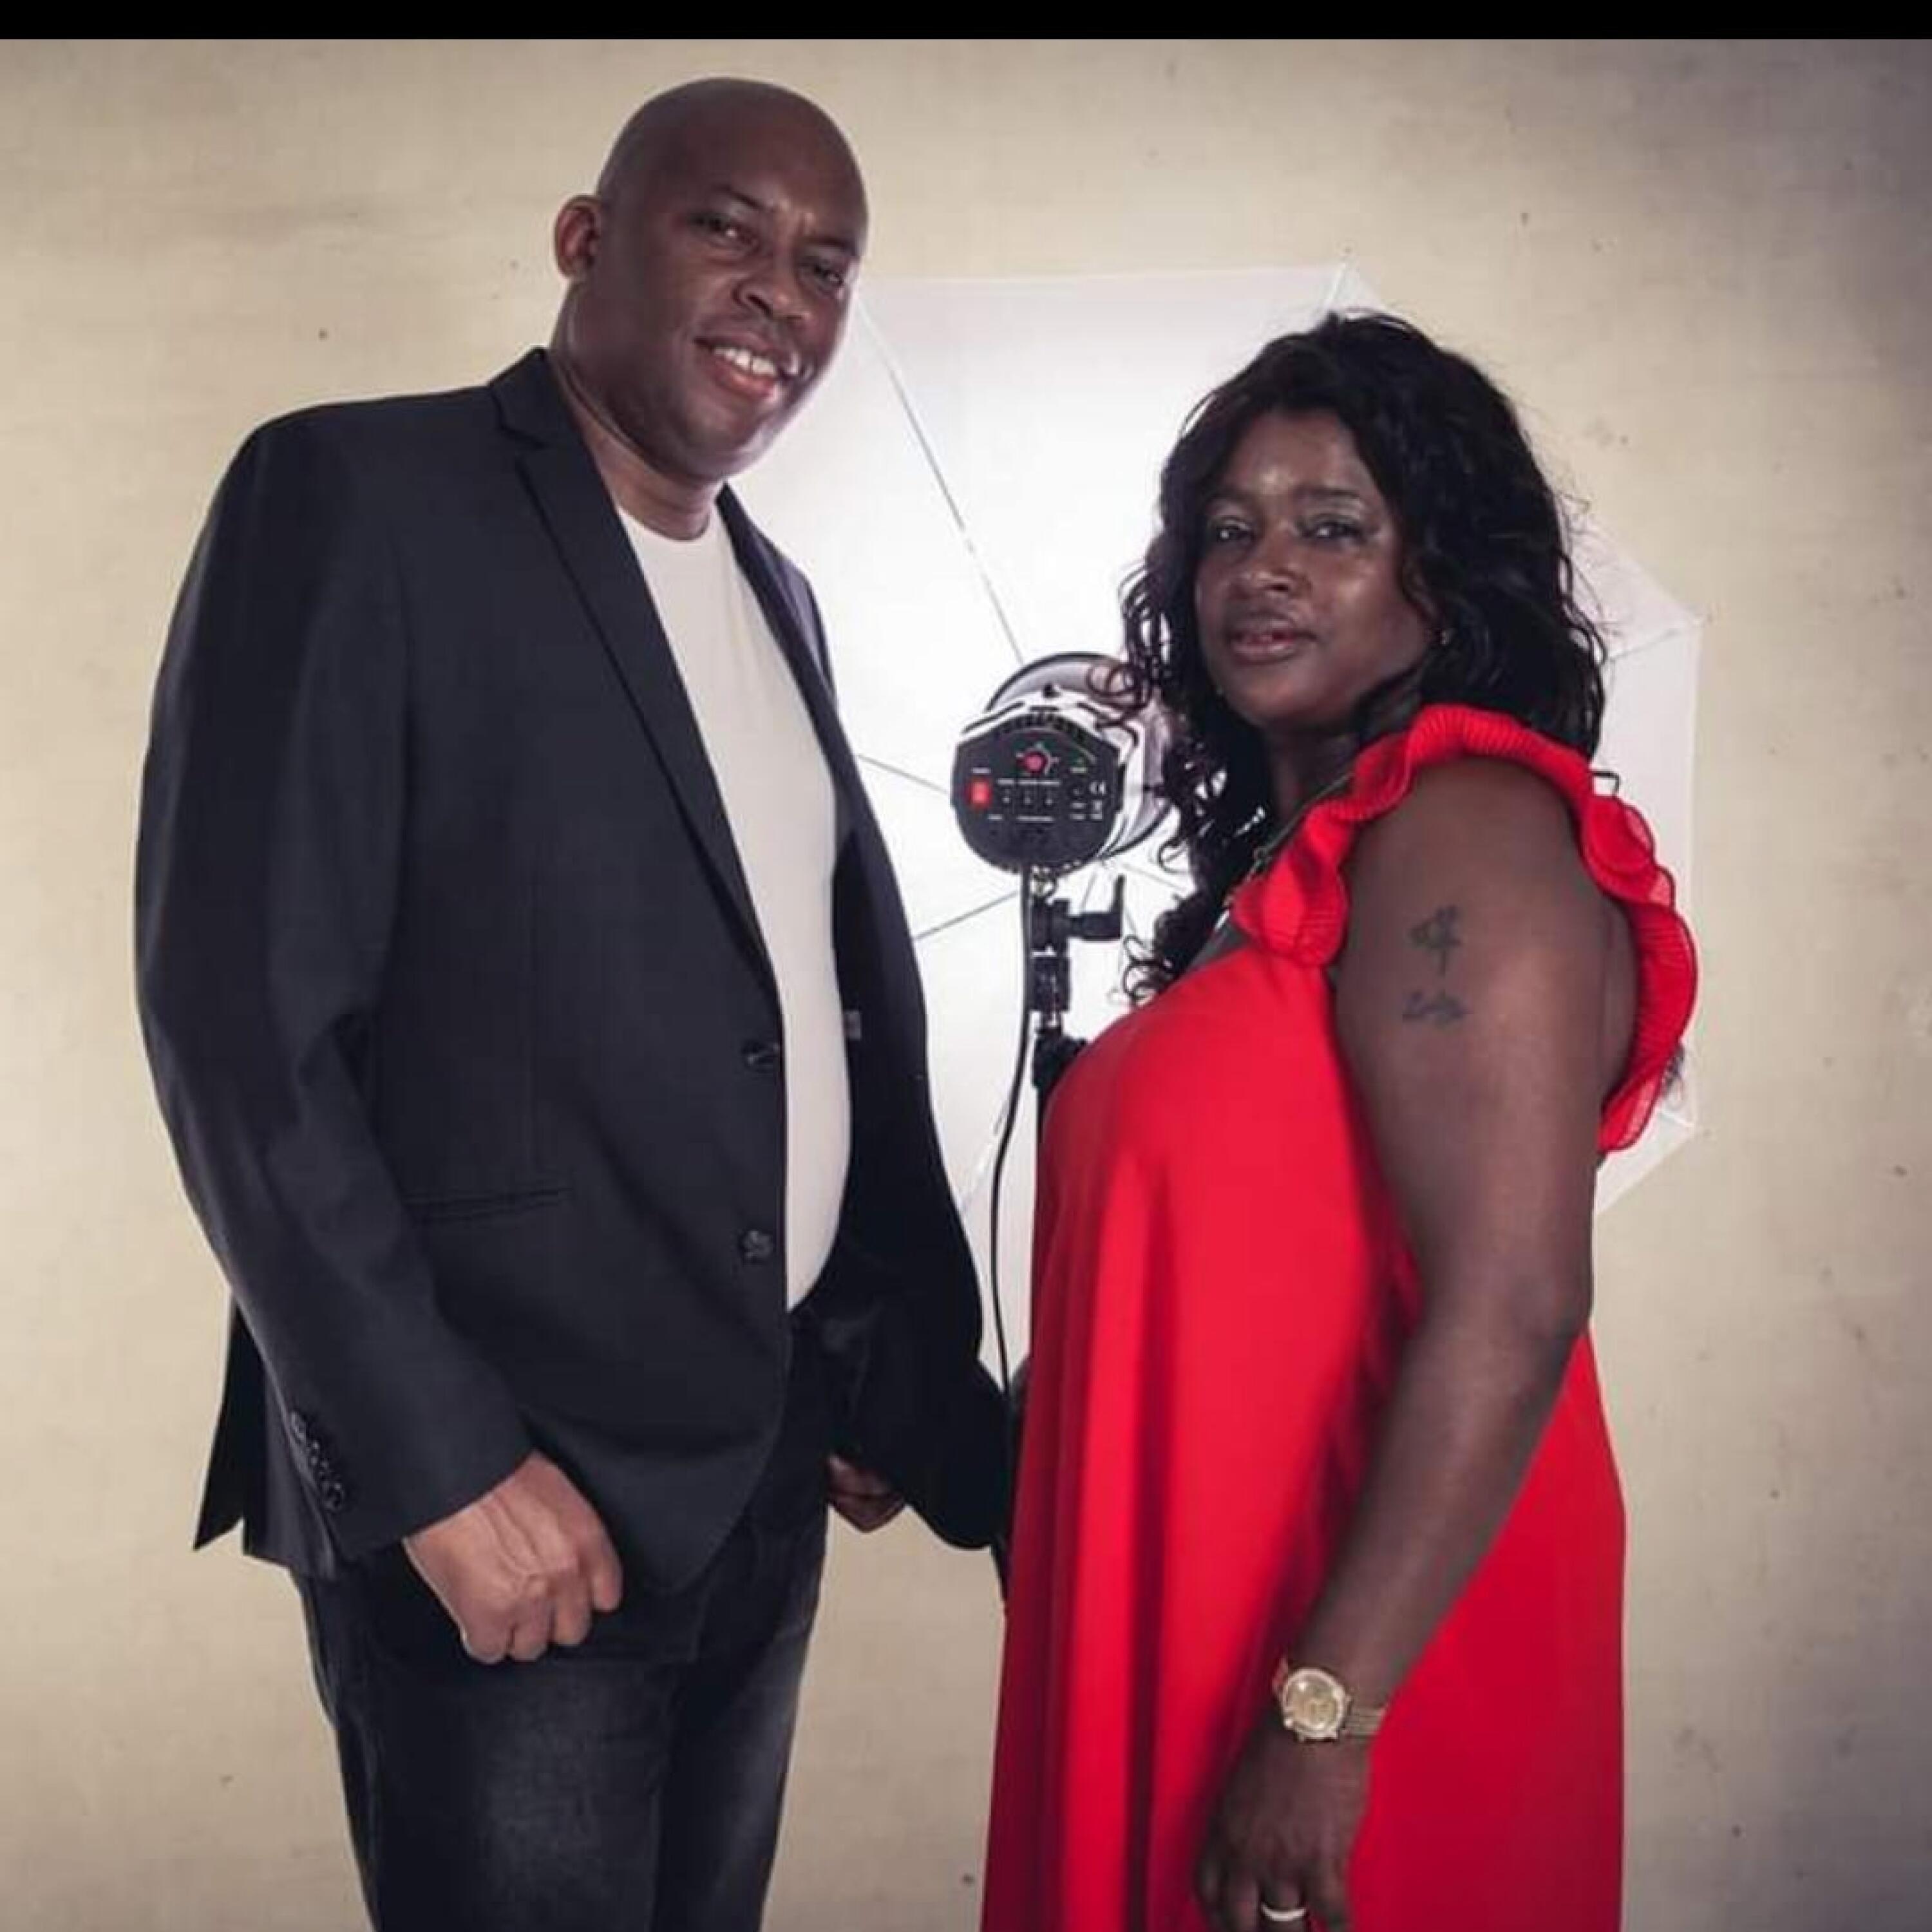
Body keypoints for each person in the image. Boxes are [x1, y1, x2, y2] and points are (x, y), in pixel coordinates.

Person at [135, 78, 1007, 1932]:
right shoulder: (357, 495)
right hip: (511, 1492)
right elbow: (243, 1030)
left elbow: (788, 1015)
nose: (782, 292)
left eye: (828, 265)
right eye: (728, 227)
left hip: (757, 1476)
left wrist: (858, 1352)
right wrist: (438, 1470)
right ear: (586, 238)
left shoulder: (777, 594)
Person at [981, 312, 1697, 1932]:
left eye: (1333, 528)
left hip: (1358, 1640)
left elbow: (1516, 1303)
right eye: (1230, 530)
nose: (1264, 572)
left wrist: (1326, 1719)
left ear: (1442, 576)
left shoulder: (1465, 828)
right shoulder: (1279, 881)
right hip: (1222, 1587)